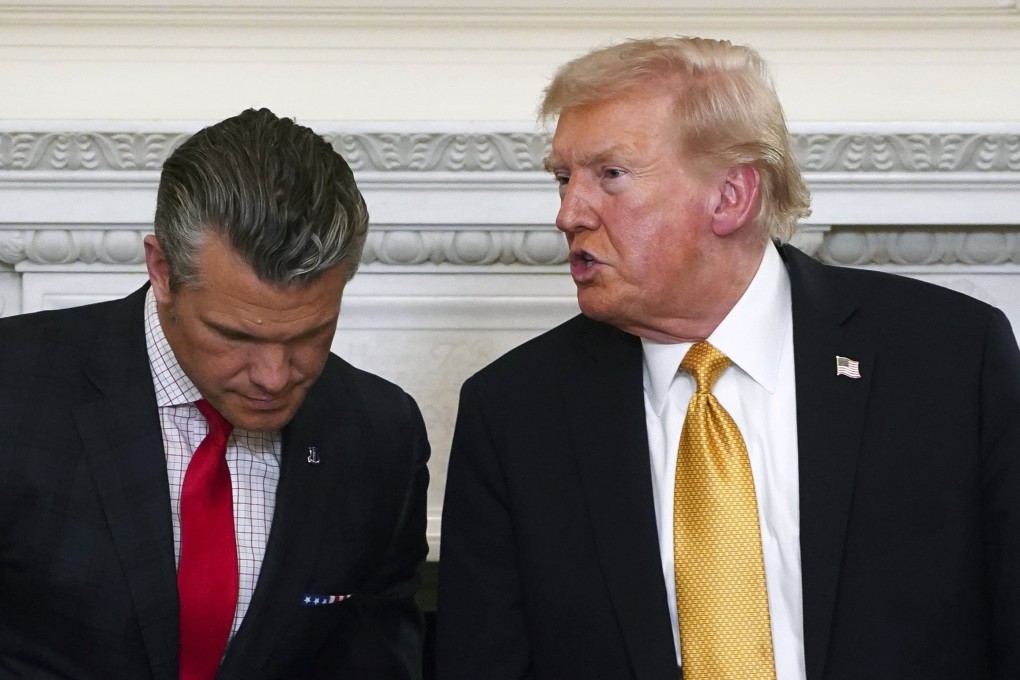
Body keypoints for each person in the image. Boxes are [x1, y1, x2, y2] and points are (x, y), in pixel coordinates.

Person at [436, 37, 1020, 680]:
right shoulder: (515, 412)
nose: (568, 214)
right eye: (562, 178)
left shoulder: (950, 360)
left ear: (730, 197)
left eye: (610, 175)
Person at [0, 108, 430, 679]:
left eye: (310, 334)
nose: (274, 376)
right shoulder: (16, 386)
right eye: (235, 336)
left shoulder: (381, 434)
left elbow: (373, 659)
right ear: (162, 270)